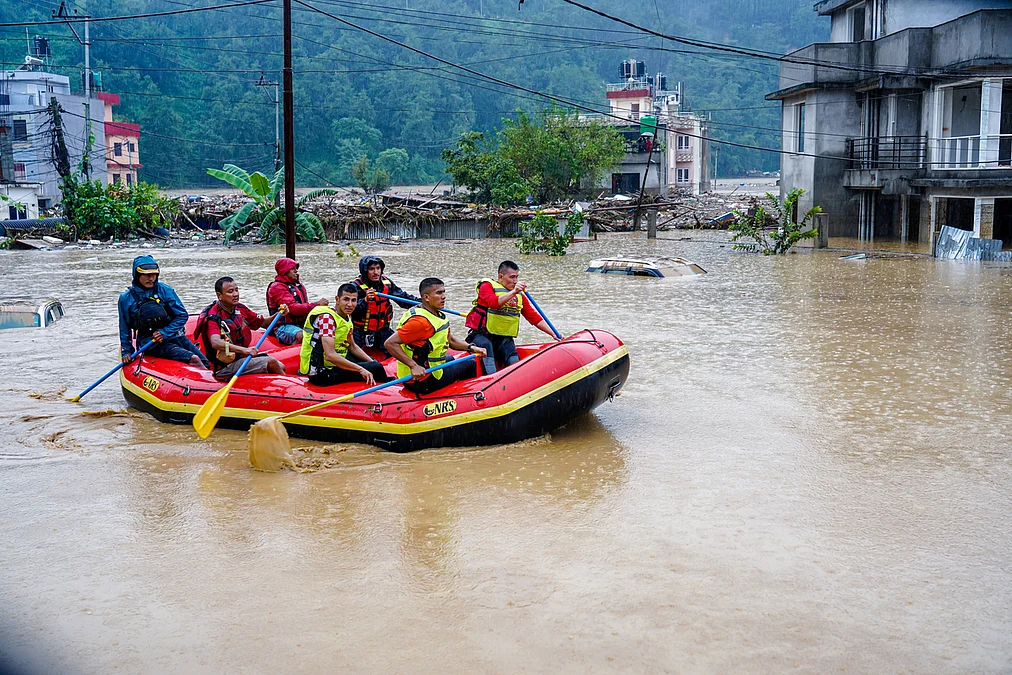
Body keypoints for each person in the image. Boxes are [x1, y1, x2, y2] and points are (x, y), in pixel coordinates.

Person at [385, 278, 487, 396]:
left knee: (450, 358)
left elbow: (450, 340)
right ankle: (468, 398)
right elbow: (390, 343)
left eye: (444, 292)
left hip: (429, 367)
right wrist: (413, 366)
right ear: (426, 297)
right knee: (470, 364)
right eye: (439, 293)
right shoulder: (420, 322)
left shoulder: (433, 313)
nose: (444, 297)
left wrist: (471, 348)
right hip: (420, 379)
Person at [464, 260, 559, 375]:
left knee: (510, 351)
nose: (515, 281)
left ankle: (517, 377)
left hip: (502, 338)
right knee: (486, 347)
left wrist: (553, 334)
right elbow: (493, 303)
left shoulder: (519, 295)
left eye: (517, 277)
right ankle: (491, 378)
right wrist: (514, 292)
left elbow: (533, 317)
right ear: (500, 277)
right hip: (481, 335)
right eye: (512, 277)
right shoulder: (487, 286)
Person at [118, 255, 210, 368]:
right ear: (137, 275)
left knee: (205, 363)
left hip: (174, 336)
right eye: (146, 275)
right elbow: (124, 327)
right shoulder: (126, 298)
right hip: (151, 342)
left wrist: (165, 332)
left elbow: (182, 315)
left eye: (154, 274)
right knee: (193, 359)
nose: (151, 278)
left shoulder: (165, 290)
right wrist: (127, 351)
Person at [196, 277, 288, 382]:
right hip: (224, 368)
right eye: (230, 291)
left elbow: (264, 323)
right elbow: (215, 342)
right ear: (219, 295)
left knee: (281, 366)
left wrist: (279, 314)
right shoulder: (213, 317)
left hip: (242, 359)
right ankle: (288, 389)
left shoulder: (240, 308)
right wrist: (245, 350)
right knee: (272, 363)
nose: (235, 294)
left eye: (236, 290)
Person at [300, 283, 390, 387]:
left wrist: (372, 362)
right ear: (337, 299)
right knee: (375, 368)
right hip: (321, 371)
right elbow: (330, 355)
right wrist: (360, 369)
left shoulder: (346, 317)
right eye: (346, 299)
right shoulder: (327, 319)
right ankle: (386, 390)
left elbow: (352, 346)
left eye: (353, 300)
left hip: (334, 364)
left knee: (375, 365)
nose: (350, 304)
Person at [350, 255, 419, 355]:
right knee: (353, 355)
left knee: (400, 350)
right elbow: (348, 309)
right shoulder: (354, 287)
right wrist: (365, 300)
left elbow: (403, 299)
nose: (376, 272)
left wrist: (422, 303)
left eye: (378, 268)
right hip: (360, 332)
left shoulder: (386, 283)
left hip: (382, 330)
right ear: (365, 271)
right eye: (371, 269)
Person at [266, 257, 329, 346]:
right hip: (282, 327)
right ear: (284, 271)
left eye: (296, 268)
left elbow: (304, 307)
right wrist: (316, 305)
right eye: (292, 269)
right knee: (302, 336)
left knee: (323, 332)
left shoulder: (298, 285)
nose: (296, 271)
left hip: (301, 323)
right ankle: (292, 353)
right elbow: (292, 308)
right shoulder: (277, 287)